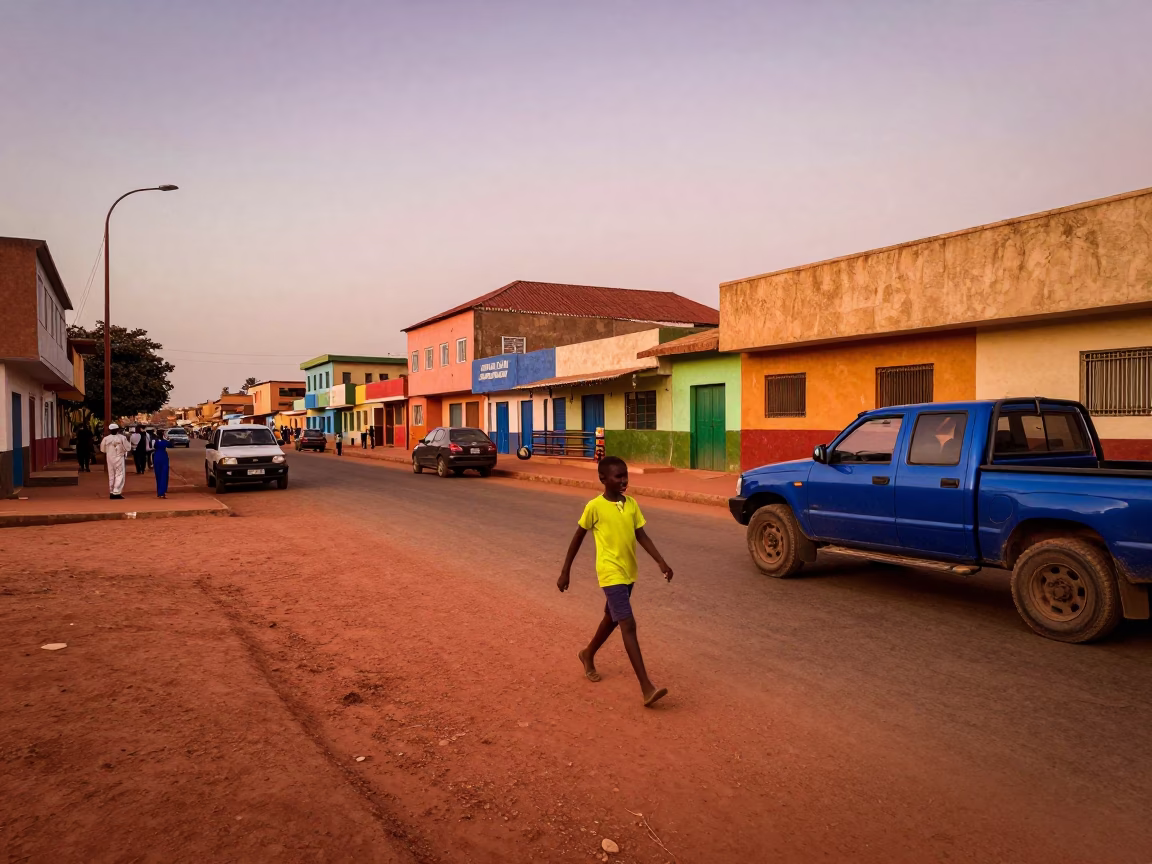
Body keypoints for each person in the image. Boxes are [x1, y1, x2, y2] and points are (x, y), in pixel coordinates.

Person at [558, 456, 673, 707]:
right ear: (603, 479)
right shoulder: (595, 507)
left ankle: (587, 654)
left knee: (611, 618)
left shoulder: (631, 504)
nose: (623, 480)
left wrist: (661, 561)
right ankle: (647, 687)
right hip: (610, 574)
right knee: (627, 624)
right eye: (618, 476)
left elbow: (640, 534)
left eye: (625, 475)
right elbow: (577, 537)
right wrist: (566, 571)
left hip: (629, 572)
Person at [99, 423, 130, 499]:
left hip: (110, 458)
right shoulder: (122, 438)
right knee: (119, 474)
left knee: (111, 474)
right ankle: (116, 492)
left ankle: (112, 491)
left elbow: (102, 449)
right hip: (119, 457)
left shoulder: (106, 439)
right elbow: (128, 448)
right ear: (117, 430)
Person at [152, 431, 172, 498]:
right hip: (163, 457)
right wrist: (168, 439)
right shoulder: (165, 441)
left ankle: (159, 492)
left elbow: (152, 447)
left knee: (158, 475)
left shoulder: (155, 441)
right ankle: (162, 492)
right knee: (164, 474)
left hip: (156, 457)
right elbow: (171, 445)